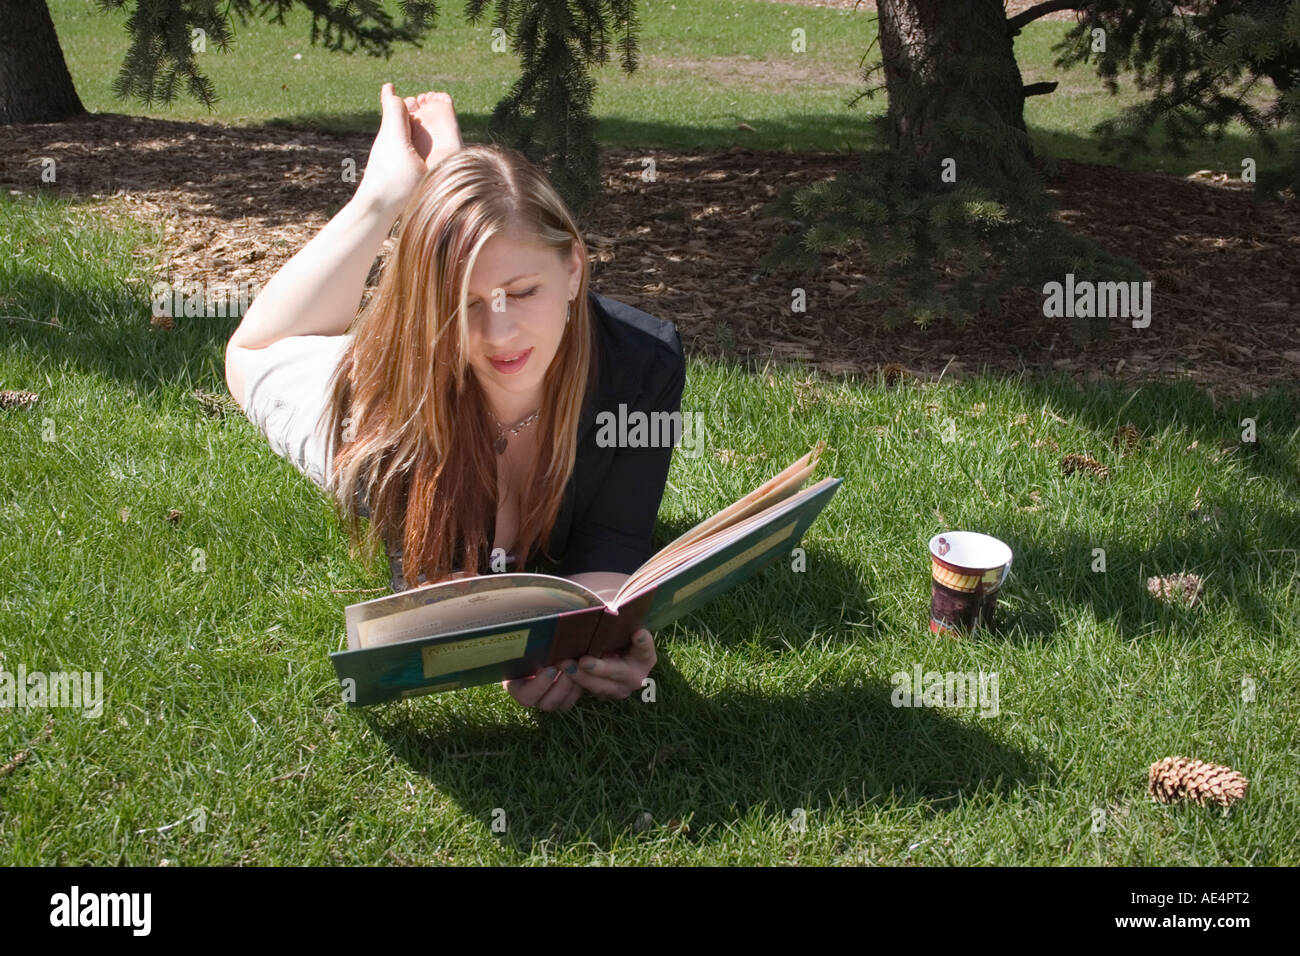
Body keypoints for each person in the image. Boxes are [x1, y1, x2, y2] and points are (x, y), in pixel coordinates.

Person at [223, 85, 686, 713]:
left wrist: (611, 643)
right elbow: (432, 582)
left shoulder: (641, 366)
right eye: (465, 302)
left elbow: (613, 543)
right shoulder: (387, 405)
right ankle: (387, 194)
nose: (500, 335)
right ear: (431, 308)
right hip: (386, 386)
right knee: (252, 354)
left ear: (574, 267)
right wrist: (506, 656)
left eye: (522, 291)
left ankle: (452, 203)